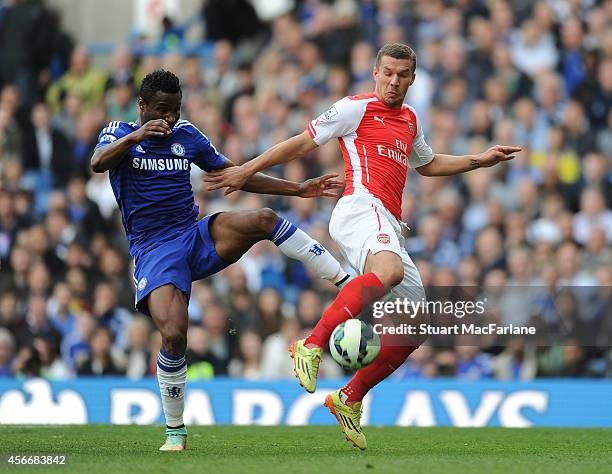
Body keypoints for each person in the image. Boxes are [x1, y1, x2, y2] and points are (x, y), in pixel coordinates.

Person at [205, 43, 521, 450]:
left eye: (402, 75)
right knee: (386, 273)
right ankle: (312, 343)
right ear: (375, 73)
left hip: (389, 222)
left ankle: (349, 398)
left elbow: (426, 164)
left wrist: (479, 160)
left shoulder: (409, 121)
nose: (393, 81)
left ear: (412, 78)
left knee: (416, 326)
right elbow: (301, 143)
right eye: (387, 72)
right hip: (360, 206)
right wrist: (246, 168)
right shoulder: (355, 108)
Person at [90, 70, 351, 451]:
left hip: (193, 234)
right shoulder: (119, 133)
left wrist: (297, 189)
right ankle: (176, 430)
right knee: (175, 334)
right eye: (161, 110)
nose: (168, 119)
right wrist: (135, 137)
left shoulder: (188, 136)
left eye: (175, 110)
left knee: (262, 219)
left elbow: (235, 174)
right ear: (142, 106)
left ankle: (344, 281)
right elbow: (98, 162)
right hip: (154, 250)